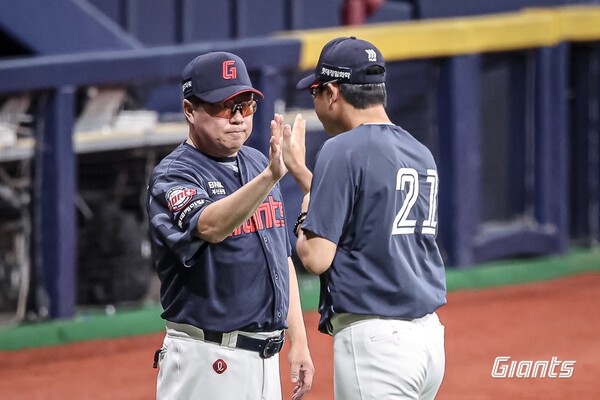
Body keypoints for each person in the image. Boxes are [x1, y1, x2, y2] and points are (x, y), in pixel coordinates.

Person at [283, 37, 447, 399]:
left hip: (377, 344)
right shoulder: (418, 151)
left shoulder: (340, 149)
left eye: (315, 91)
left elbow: (315, 257)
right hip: (428, 341)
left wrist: (304, 210)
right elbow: (357, 209)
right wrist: (302, 174)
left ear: (332, 93)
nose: (314, 101)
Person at [146, 51, 314, 400]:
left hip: (264, 358)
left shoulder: (257, 161)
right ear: (189, 110)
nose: (237, 117)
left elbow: (282, 258)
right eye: (224, 107)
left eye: (245, 105)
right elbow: (210, 226)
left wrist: (298, 340)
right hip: (208, 359)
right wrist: (269, 177)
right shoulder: (175, 173)